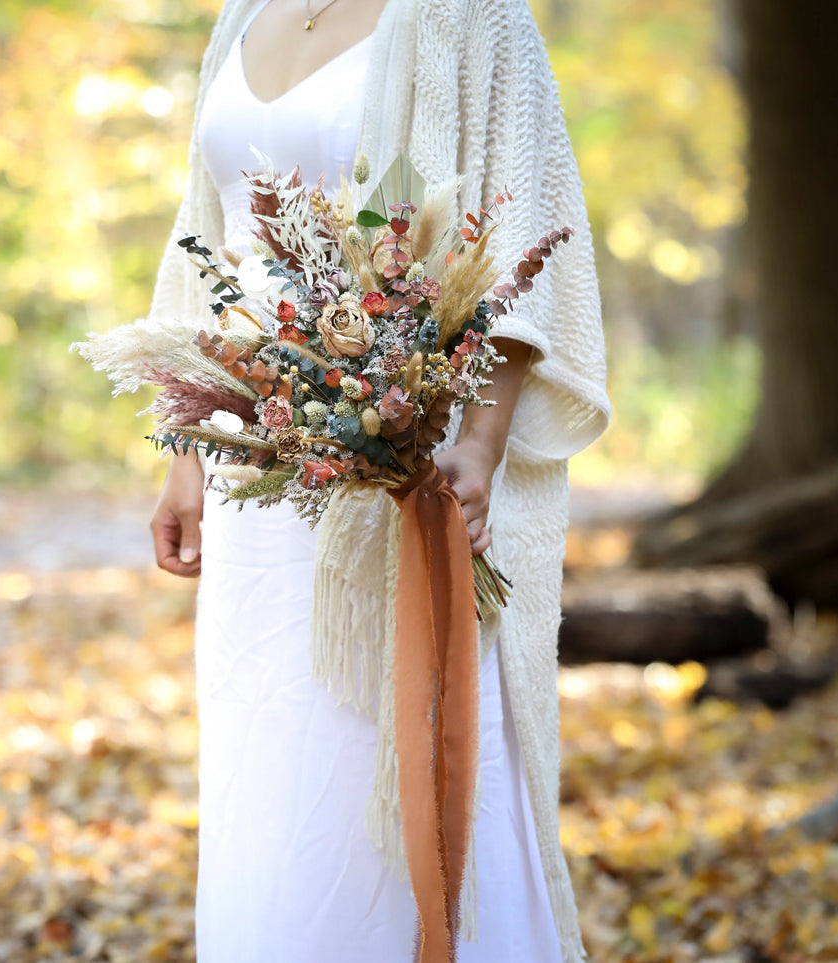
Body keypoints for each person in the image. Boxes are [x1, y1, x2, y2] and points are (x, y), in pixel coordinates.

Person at [143, 1, 611, 960]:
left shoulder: (473, 15)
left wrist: (476, 446)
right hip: (257, 469)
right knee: (274, 769)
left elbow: (521, 223)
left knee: (403, 746)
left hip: (410, 460)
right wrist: (183, 446)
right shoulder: (241, 14)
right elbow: (202, 235)